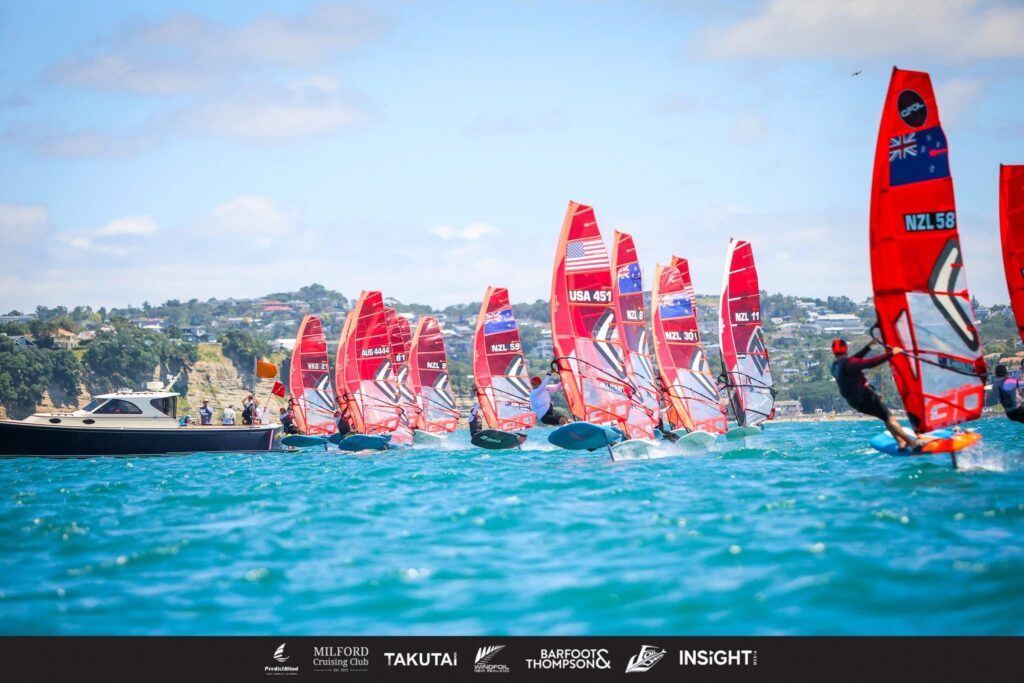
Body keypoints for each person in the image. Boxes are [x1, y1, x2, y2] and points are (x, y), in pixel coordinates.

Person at [830, 337, 922, 449]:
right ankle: (912, 443)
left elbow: (855, 359)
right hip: (866, 398)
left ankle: (901, 443)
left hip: (853, 402)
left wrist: (870, 346)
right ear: (846, 349)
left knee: (884, 417)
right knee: (889, 418)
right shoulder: (850, 364)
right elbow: (871, 363)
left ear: (833, 351)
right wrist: (891, 353)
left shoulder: (835, 366)